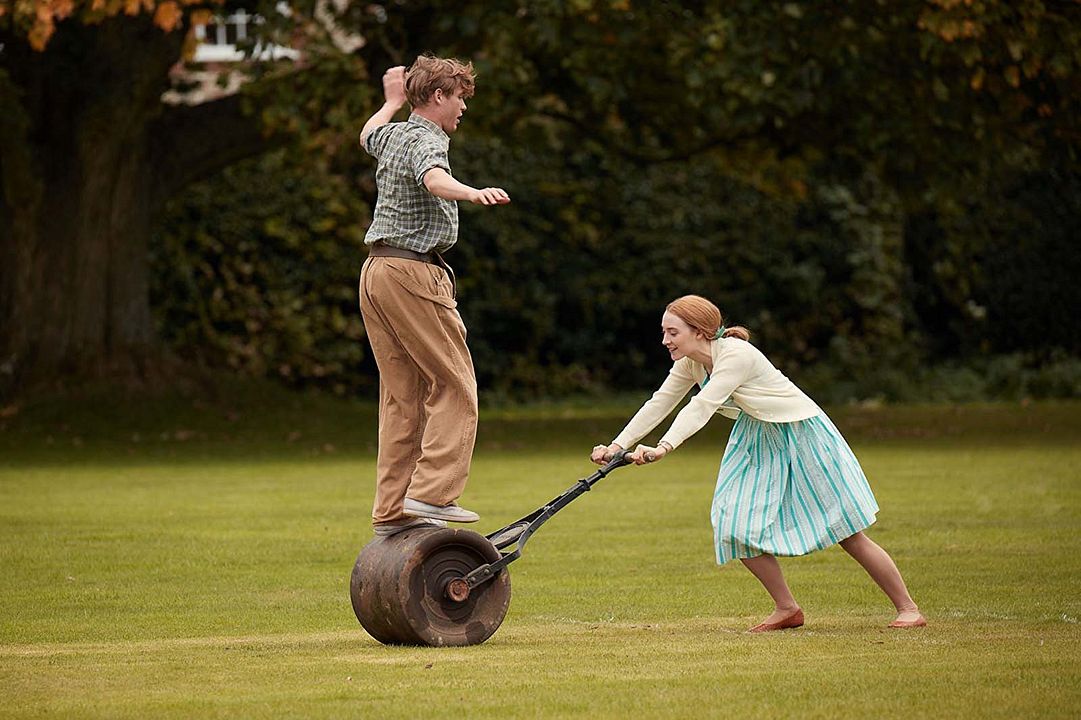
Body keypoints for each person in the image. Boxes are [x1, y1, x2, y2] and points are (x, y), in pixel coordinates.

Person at [590, 295, 926, 631]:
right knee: (733, 523)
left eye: (672, 332)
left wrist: (664, 447)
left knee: (846, 530)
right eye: (664, 332)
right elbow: (659, 402)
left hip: (801, 432)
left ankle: (908, 609)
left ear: (701, 331)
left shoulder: (736, 355)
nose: (665, 340)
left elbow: (702, 405)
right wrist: (616, 445)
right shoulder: (691, 362)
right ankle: (787, 609)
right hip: (757, 436)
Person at [358, 55, 510, 536]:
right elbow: (433, 178)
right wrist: (470, 192)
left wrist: (390, 102)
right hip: (413, 272)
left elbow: (366, 135)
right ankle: (433, 494)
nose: (464, 105)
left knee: (404, 397)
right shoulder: (425, 138)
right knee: (456, 385)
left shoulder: (395, 132)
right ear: (439, 96)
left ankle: (392, 512)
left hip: (377, 271)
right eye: (460, 96)